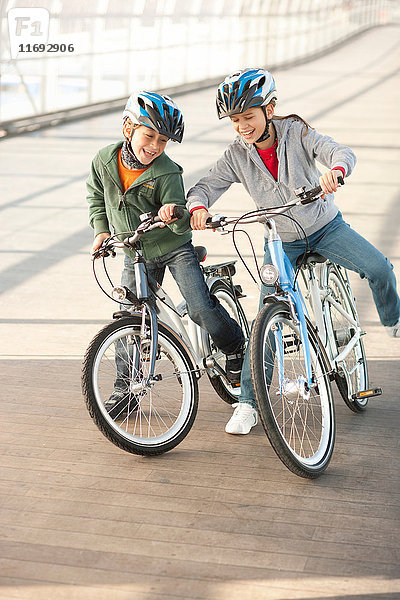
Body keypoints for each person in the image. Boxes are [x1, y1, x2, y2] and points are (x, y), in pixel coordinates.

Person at [186, 68, 400, 435]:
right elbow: (205, 186)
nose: (242, 126)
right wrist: (198, 208)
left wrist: (335, 169)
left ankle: (394, 320)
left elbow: (338, 151)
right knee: (265, 319)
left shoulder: (296, 132)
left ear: (269, 109)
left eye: (248, 117)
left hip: (324, 227)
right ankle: (249, 405)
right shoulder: (236, 155)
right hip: (280, 240)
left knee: (379, 268)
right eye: (235, 120)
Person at [86, 91, 245, 416]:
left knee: (200, 308)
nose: (155, 146)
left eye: (163, 140)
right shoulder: (104, 160)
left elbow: (182, 220)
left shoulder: (168, 171)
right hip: (135, 251)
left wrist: (174, 213)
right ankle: (126, 389)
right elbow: (96, 196)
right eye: (150, 136)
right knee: (129, 318)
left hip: (174, 248)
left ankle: (234, 346)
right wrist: (102, 230)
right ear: (128, 128)